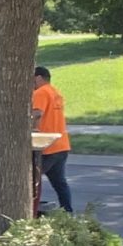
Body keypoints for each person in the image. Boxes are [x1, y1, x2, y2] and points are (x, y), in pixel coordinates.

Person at [30, 65, 72, 214]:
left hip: (46, 146)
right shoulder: (55, 92)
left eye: (32, 78)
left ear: (39, 77)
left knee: (31, 180)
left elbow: (37, 114)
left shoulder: (40, 92)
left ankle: (30, 211)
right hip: (61, 145)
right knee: (60, 183)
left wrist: (30, 127)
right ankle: (68, 212)